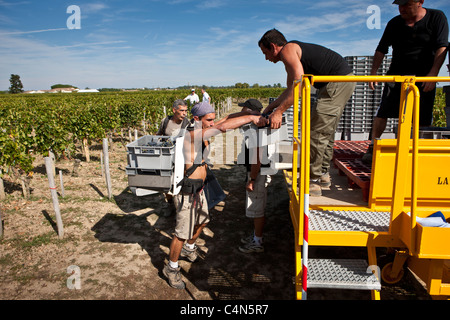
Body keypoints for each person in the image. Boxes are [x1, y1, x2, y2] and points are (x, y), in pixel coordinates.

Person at [162, 102, 266, 289]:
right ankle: (172, 267)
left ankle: (189, 248)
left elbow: (224, 120)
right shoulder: (191, 135)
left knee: (203, 221)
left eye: (212, 118)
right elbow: (222, 126)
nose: (212, 122)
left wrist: (245, 112)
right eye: (208, 119)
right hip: (187, 191)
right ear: (196, 119)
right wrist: (251, 118)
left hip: (199, 189)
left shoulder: (203, 127)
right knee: (181, 233)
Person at [258, 29, 356, 196]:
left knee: (316, 133)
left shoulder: (288, 50)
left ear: (274, 47)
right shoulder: (292, 53)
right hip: (339, 82)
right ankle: (323, 174)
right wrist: (272, 107)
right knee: (325, 131)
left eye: (265, 53)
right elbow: (291, 89)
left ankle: (312, 180)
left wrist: (279, 112)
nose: (266, 58)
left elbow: (300, 86)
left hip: (336, 83)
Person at [362, 0, 449, 164]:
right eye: (399, 5)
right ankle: (373, 146)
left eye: (406, 4)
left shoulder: (437, 17)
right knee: (383, 111)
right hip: (397, 74)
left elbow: (442, 46)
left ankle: (416, 150)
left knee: (422, 117)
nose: (402, 9)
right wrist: (373, 73)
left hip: (424, 76)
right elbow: (381, 48)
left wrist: (433, 74)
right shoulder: (394, 23)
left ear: (420, 2)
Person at [236, 99, 271, 253]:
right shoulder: (256, 125)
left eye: (243, 108)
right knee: (257, 206)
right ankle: (257, 237)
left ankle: (257, 242)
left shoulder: (256, 130)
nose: (241, 111)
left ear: (249, 110)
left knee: (257, 209)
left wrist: (252, 180)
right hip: (258, 172)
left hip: (258, 173)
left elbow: (257, 158)